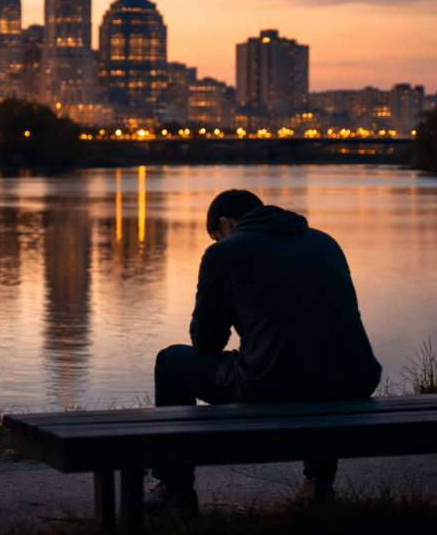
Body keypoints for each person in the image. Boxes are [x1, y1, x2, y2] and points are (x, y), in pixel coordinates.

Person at [144, 189, 382, 513]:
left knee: (170, 362)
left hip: (273, 384)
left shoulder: (224, 253)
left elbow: (206, 343)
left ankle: (174, 489)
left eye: (217, 238)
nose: (218, 244)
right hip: (356, 381)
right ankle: (319, 483)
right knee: (315, 360)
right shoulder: (325, 242)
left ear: (225, 225)